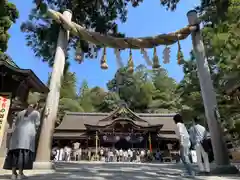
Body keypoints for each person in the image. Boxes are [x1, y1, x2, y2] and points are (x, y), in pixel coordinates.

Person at [4, 103, 40, 180]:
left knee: (15, 154)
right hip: (27, 136)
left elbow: (16, 123)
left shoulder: (20, 113)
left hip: (16, 136)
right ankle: (20, 174)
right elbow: (37, 124)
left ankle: (13, 174)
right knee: (23, 155)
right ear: (35, 107)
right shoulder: (36, 113)